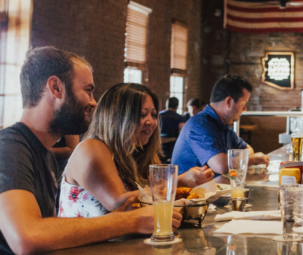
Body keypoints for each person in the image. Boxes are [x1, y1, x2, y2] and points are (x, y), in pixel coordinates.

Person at [0, 47, 178, 255]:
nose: (94, 103)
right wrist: (132, 221)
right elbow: (27, 237)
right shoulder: (10, 147)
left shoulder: (43, 154)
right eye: (88, 91)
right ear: (56, 88)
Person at [60, 82, 214, 219]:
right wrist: (179, 181)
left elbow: (156, 201)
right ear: (116, 117)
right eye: (142, 114)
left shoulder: (139, 152)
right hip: (87, 243)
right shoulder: (91, 148)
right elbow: (120, 205)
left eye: (154, 115)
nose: (151, 122)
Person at [172, 75, 269, 176]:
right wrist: (253, 159)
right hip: (192, 186)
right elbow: (221, 165)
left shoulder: (223, 124)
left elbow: (248, 149)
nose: (245, 109)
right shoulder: (199, 124)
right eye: (243, 103)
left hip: (213, 185)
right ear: (229, 102)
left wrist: (237, 159)